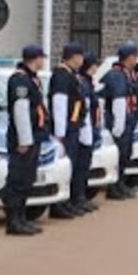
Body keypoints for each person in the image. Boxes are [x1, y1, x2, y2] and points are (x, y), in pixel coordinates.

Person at [4, 45, 48, 235]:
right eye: (41, 58)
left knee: (27, 179)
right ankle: (13, 220)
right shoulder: (20, 79)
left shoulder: (31, 78)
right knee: (18, 180)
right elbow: (21, 111)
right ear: (34, 58)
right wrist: (24, 140)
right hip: (24, 139)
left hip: (33, 136)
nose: (43, 61)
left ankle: (21, 218)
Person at [49, 43, 88, 218]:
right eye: (80, 56)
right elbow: (60, 105)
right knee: (65, 167)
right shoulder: (62, 76)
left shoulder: (71, 75)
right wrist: (60, 132)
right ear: (73, 57)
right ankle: (59, 205)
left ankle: (68, 201)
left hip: (73, 126)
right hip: (66, 129)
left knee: (72, 166)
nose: (82, 60)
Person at [103, 44, 138, 200]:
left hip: (129, 118)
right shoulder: (116, 74)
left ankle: (120, 184)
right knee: (119, 155)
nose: (136, 60)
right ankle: (114, 187)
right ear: (129, 57)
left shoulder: (128, 74)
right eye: (135, 57)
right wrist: (119, 125)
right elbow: (118, 100)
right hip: (120, 120)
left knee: (126, 154)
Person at [75, 53, 100, 212]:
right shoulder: (83, 83)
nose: (97, 67)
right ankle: (78, 197)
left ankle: (81, 196)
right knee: (80, 166)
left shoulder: (89, 83)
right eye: (95, 64)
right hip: (84, 128)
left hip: (90, 127)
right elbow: (83, 107)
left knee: (85, 166)